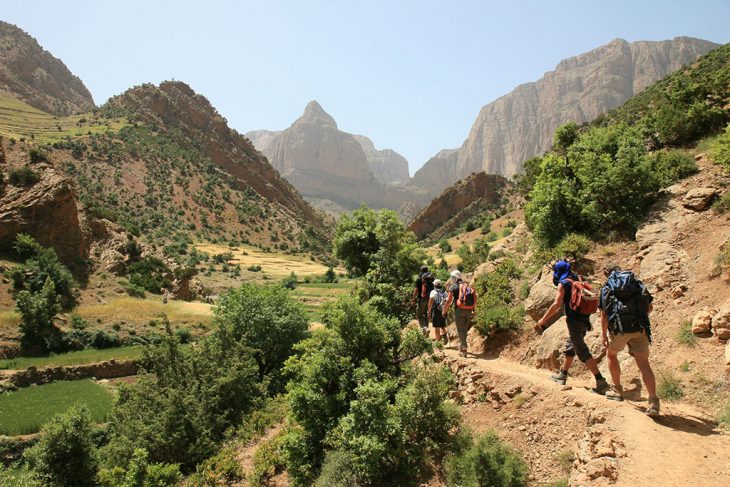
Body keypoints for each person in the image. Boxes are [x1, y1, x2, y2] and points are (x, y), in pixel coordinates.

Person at [534, 260, 609, 394]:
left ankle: (600, 381)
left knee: (581, 351)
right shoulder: (576, 277)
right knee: (571, 345)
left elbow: (557, 304)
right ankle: (563, 374)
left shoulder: (563, 283)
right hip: (585, 318)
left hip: (574, 320)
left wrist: (543, 320)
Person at [599, 262, 660, 417]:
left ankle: (616, 390)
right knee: (644, 364)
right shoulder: (635, 283)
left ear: (608, 273)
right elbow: (649, 307)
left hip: (620, 330)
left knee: (612, 355)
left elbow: (604, 315)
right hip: (639, 328)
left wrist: (604, 334)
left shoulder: (608, 287)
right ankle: (653, 401)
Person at [442, 270, 476, 357]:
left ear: (454, 278)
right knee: (464, 329)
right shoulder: (467, 286)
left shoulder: (453, 287)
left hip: (459, 310)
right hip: (468, 310)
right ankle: (462, 346)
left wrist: (444, 311)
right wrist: (473, 310)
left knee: (460, 330)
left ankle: (463, 349)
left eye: (452, 277)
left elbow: (449, 301)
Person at [411, 265, 434, 336]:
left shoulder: (419, 279)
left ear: (421, 270)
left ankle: (425, 328)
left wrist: (413, 299)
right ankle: (426, 332)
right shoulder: (431, 278)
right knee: (426, 314)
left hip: (422, 299)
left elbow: (416, 290)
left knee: (420, 315)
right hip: (431, 298)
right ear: (427, 270)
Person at [428, 279, 448, 343]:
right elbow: (447, 300)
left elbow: (430, 303)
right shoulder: (444, 292)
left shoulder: (433, 292)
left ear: (435, 285)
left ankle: (438, 342)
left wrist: (429, 312)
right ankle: (445, 336)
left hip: (436, 310)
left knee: (437, 327)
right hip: (443, 310)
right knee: (442, 325)